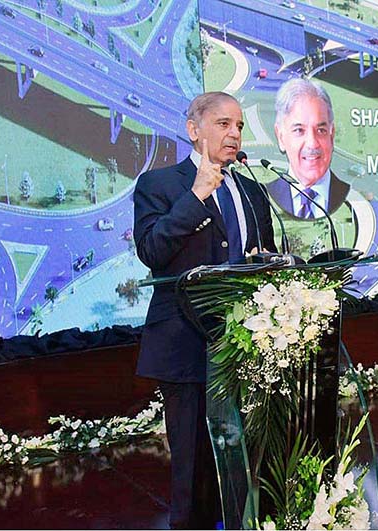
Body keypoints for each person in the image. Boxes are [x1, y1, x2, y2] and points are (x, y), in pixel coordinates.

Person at [133, 91, 276, 529]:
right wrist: (195, 197)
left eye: (238, 125)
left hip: (248, 345)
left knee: (251, 459)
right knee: (193, 467)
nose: (234, 134)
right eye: (222, 124)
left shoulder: (252, 189)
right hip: (186, 345)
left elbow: (263, 255)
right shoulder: (159, 185)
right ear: (194, 130)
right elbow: (152, 250)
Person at [267, 78, 350, 219]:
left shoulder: (350, 195)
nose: (312, 144)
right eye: (299, 130)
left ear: (332, 135)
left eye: (321, 130)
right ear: (281, 137)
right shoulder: (264, 196)